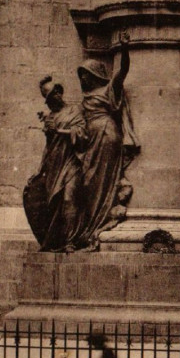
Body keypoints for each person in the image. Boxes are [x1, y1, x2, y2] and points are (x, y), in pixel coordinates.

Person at [75, 31, 139, 252]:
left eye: (85, 75)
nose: (82, 79)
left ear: (95, 75)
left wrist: (124, 49)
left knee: (102, 180)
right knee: (88, 181)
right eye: (80, 76)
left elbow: (122, 72)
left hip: (107, 137)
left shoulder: (108, 89)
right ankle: (91, 227)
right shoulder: (85, 99)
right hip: (91, 141)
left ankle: (97, 225)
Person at [23, 77, 87, 252]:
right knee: (53, 202)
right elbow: (48, 147)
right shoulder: (50, 117)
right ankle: (58, 240)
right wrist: (39, 170)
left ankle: (70, 241)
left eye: (57, 91)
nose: (56, 95)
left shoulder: (75, 110)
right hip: (55, 164)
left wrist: (59, 131)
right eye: (51, 95)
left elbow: (82, 134)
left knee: (69, 198)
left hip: (72, 161)